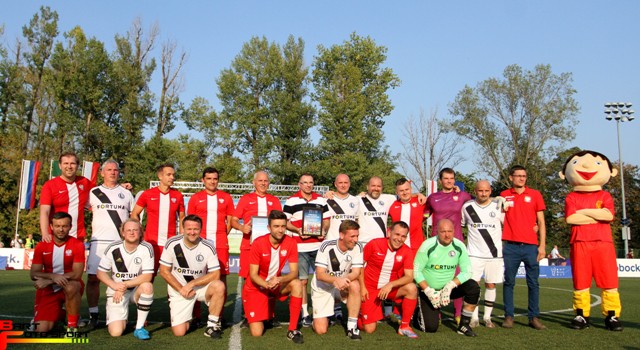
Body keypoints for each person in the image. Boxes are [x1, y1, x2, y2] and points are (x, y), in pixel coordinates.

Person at [559, 150, 623, 331]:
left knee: (609, 281)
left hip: (603, 243)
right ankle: (581, 315)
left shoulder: (605, 196)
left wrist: (583, 212)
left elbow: (608, 215)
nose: (586, 167)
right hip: (580, 242)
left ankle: (612, 316)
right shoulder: (571, 197)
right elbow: (571, 219)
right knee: (581, 281)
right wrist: (596, 215)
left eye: (596, 164)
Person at [159, 214, 226, 338]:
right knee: (179, 332)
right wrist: (181, 289)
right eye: (189, 229)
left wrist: (192, 284)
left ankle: (212, 325)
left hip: (200, 288)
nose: (192, 232)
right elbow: (164, 271)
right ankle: (187, 317)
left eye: (196, 229)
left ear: (200, 229)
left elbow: (216, 274)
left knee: (219, 286)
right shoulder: (172, 243)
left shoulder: (208, 246)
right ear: (183, 229)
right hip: (179, 290)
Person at [242, 210, 304, 343]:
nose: (280, 230)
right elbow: (252, 275)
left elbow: (294, 272)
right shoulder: (258, 243)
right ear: (269, 228)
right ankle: (258, 313)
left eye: (283, 226)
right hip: (257, 287)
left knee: (297, 284)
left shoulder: (291, 242)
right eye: (276, 226)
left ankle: (292, 329)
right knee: (257, 333)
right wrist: (267, 284)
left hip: (276, 283)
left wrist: (280, 280)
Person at [86, 160, 135, 327]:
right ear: (102, 173)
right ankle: (93, 314)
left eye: (116, 170)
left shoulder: (126, 193)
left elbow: (133, 218)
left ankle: (119, 314)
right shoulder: (93, 192)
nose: (113, 172)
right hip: (99, 242)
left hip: (120, 244)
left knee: (120, 280)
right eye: (109, 170)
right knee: (93, 279)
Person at [413, 219, 480, 337]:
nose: (447, 234)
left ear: (454, 231)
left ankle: (464, 325)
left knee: (473, 286)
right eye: (443, 231)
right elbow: (416, 271)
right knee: (430, 328)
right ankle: (417, 312)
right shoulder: (428, 245)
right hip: (429, 291)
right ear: (437, 232)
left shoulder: (459, 246)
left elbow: (467, 271)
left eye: (450, 231)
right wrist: (428, 291)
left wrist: (450, 286)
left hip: (447, 289)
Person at [501, 165, 546, 330]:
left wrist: (542, 246)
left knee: (533, 283)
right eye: (518, 175)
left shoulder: (535, 195)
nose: (521, 178)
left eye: (524, 176)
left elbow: (541, 222)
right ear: (511, 177)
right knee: (509, 282)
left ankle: (533, 317)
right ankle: (508, 316)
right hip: (510, 247)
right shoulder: (504, 195)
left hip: (531, 246)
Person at [424, 168, 472, 324]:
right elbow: (423, 214)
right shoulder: (432, 198)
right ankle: (435, 311)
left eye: (452, 178)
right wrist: (417, 195)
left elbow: (480, 200)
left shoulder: (463, 196)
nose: (449, 181)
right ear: (441, 180)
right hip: (436, 243)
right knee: (435, 278)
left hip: (456, 242)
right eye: (446, 178)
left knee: (457, 278)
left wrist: (498, 198)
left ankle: (457, 313)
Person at [187, 167, 235, 323]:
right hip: (199, 244)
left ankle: (217, 316)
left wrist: (221, 234)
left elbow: (230, 221)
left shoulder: (226, 197)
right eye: (209, 178)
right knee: (196, 275)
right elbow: (190, 222)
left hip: (220, 243)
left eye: (215, 178)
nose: (212, 181)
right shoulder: (195, 198)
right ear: (203, 180)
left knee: (221, 278)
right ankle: (195, 315)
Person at [283, 173, 331, 327]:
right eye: (305, 183)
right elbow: (285, 222)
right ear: (299, 184)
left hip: (318, 247)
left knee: (322, 280)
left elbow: (327, 220)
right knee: (302, 281)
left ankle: (322, 311)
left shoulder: (321, 200)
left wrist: (323, 230)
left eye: (311, 182)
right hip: (300, 247)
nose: (308, 185)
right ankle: (305, 313)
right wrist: (298, 230)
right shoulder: (291, 200)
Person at [359, 221, 418, 338]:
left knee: (411, 288)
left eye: (403, 236)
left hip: (389, 290)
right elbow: (359, 266)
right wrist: (362, 287)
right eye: (397, 234)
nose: (399, 239)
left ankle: (404, 326)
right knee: (369, 329)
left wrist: (391, 284)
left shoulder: (407, 251)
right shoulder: (374, 244)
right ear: (389, 233)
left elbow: (409, 276)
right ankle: (358, 313)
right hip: (370, 289)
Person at [97, 219, 154, 339]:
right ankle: (122, 319)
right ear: (122, 233)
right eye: (128, 230)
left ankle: (139, 328)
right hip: (116, 291)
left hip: (134, 290)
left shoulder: (146, 248)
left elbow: (147, 276)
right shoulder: (113, 248)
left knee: (147, 286)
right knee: (116, 332)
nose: (132, 233)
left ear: (140, 232)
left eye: (135, 230)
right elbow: (100, 272)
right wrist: (114, 285)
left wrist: (124, 285)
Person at [30, 212, 85, 333]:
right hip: (50, 290)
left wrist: (50, 280)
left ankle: (72, 327)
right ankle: (62, 314)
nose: (61, 229)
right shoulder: (42, 246)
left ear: (70, 227)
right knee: (41, 330)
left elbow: (77, 274)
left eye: (65, 226)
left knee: (72, 286)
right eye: (57, 226)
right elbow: (33, 274)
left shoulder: (77, 245)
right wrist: (52, 276)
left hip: (69, 284)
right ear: (51, 226)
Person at [461, 180, 504, 328]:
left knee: (491, 285)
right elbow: (460, 225)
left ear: (490, 191)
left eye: (486, 191)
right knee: (473, 286)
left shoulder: (498, 207)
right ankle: (474, 318)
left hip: (494, 254)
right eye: (480, 191)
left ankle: (487, 317)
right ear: (475, 191)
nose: (483, 193)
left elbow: (510, 224)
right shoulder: (467, 207)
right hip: (473, 254)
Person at [311, 220, 364, 340]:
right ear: (341, 235)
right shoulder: (326, 246)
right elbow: (320, 274)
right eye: (352, 236)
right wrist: (336, 280)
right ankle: (324, 314)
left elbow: (356, 272)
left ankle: (351, 327)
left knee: (355, 285)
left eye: (357, 236)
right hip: (323, 286)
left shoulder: (358, 246)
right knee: (320, 330)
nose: (355, 240)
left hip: (342, 284)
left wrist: (343, 280)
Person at [131, 163, 185, 273]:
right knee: (148, 276)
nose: (172, 177)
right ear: (160, 176)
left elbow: (182, 218)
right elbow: (134, 214)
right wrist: (140, 233)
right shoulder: (147, 194)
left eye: (173, 175)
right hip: (151, 243)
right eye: (169, 174)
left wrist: (182, 239)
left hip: (170, 243)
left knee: (174, 276)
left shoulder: (178, 195)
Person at [231, 171, 282, 280]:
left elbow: (281, 222)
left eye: (265, 181)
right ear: (254, 182)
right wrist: (241, 227)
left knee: (270, 277)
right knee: (249, 277)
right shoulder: (245, 199)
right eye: (260, 181)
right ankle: (248, 297)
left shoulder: (275, 200)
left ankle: (267, 298)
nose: (263, 183)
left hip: (270, 245)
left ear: (268, 183)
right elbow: (233, 220)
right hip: (249, 245)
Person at [39, 152, 91, 243]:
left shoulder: (85, 182)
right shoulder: (50, 185)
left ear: (77, 166)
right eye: (66, 163)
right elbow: (44, 211)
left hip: (77, 237)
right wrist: (45, 233)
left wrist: (119, 186)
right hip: (55, 238)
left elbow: (104, 190)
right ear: (60, 166)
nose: (69, 166)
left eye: (73, 163)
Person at [389, 178, 427, 253]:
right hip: (397, 249)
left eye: (407, 189)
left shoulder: (421, 202)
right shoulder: (392, 205)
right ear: (397, 192)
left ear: (411, 189)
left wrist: (455, 189)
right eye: (401, 191)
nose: (405, 192)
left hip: (417, 249)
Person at [325, 174, 359, 241]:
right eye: (340, 183)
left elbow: (357, 221)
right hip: (332, 241)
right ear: (335, 184)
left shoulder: (356, 200)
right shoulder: (327, 199)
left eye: (345, 183)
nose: (343, 185)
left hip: (350, 242)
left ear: (349, 184)